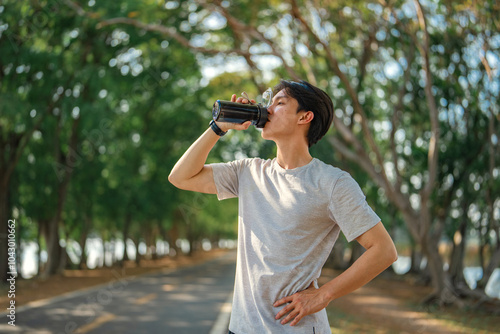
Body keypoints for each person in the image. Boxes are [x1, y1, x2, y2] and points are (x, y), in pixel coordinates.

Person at [169, 79, 397, 334]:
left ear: (305, 117)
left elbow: (384, 250)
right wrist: (218, 127)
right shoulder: (249, 171)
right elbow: (180, 177)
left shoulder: (333, 183)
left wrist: (324, 295)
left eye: (279, 103)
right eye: (269, 103)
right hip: (241, 328)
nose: (268, 110)